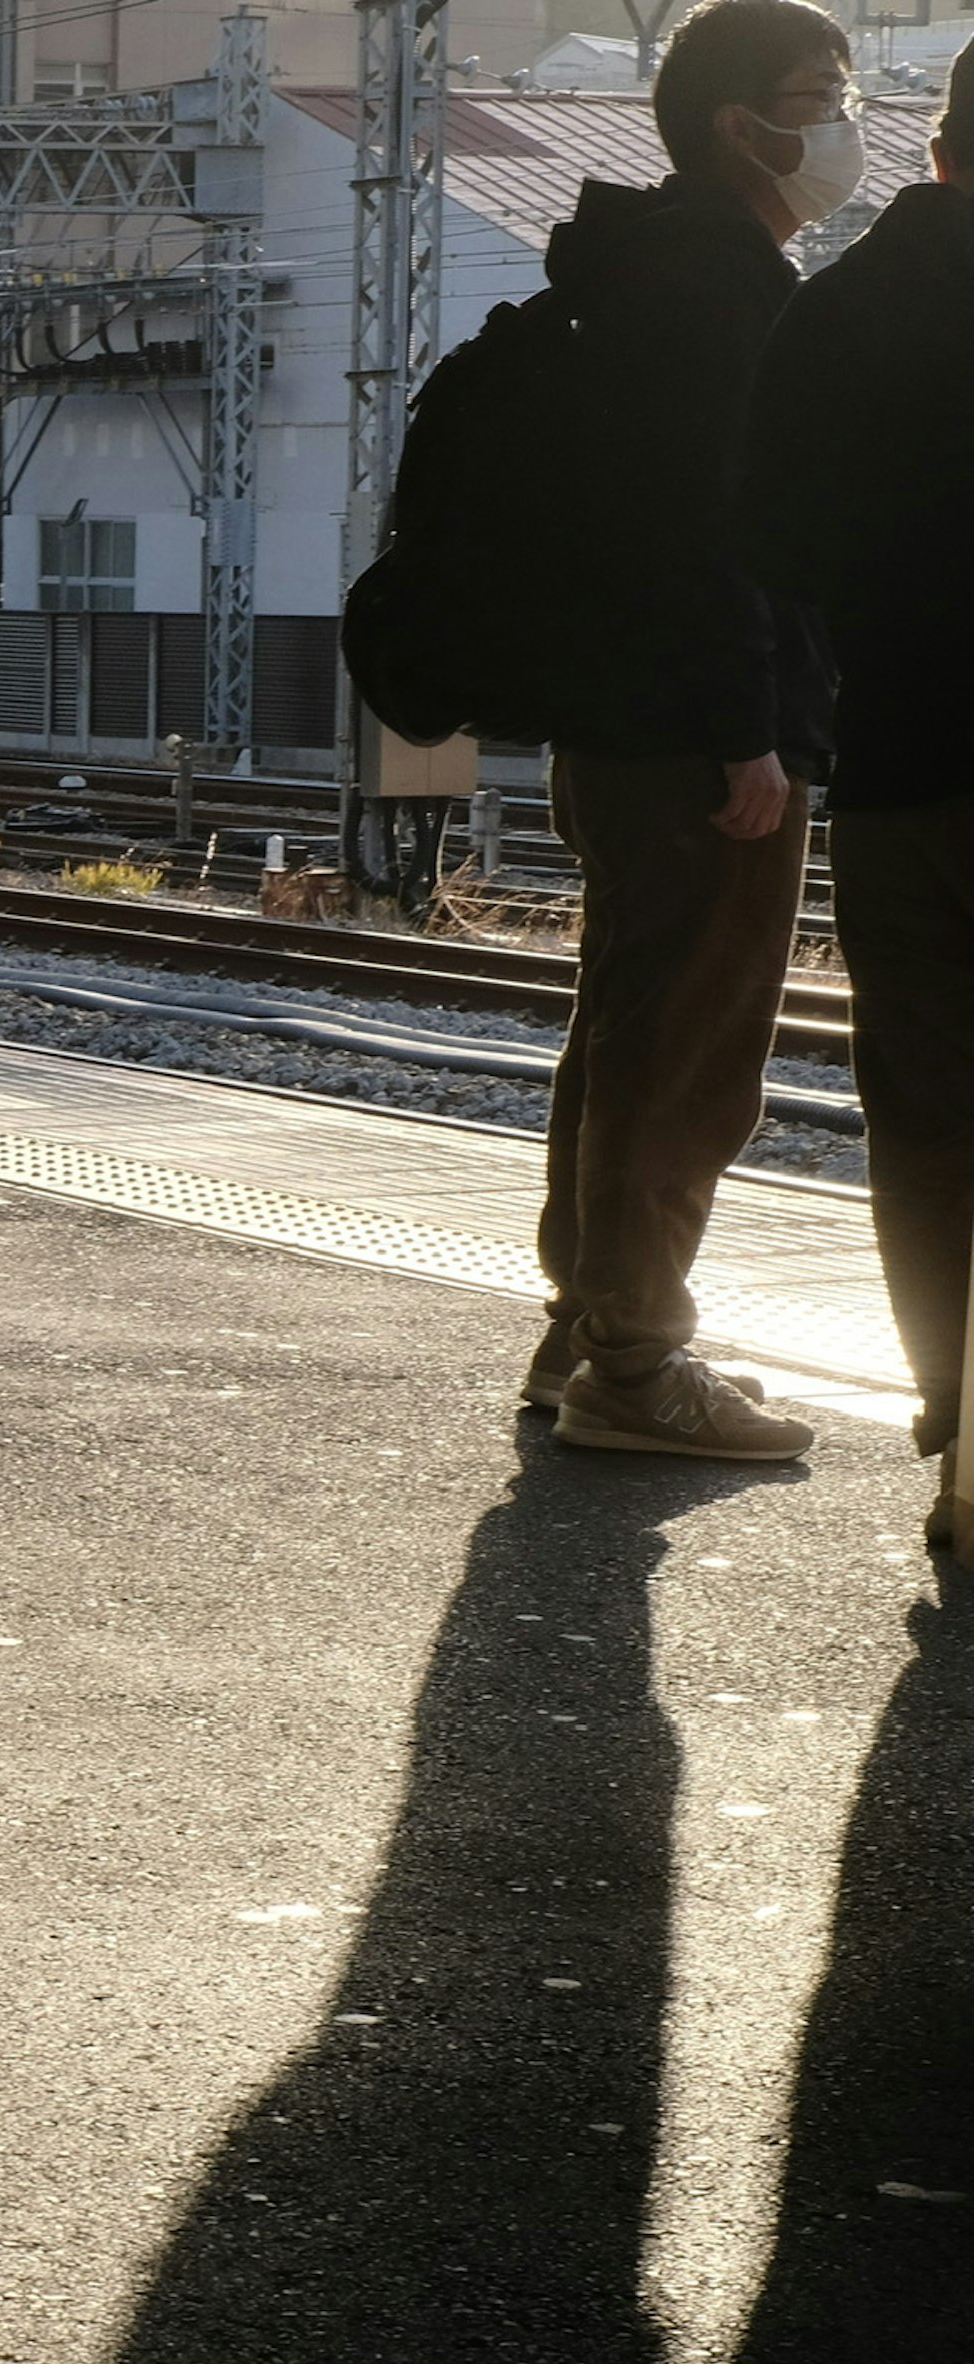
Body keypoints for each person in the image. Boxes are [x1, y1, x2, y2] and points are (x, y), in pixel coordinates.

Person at [518, 0, 846, 1463]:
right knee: (691, 1052)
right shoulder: (719, 293)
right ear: (740, 124)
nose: (847, 118)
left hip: (625, 723)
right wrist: (748, 736)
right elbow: (715, 542)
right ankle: (639, 1369)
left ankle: (588, 1329)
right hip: (697, 738)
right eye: (822, 91)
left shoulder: (646, 271)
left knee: (629, 1027)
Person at [748, 44, 974, 1532]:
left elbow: (780, 544)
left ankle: (956, 1416)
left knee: (929, 1090)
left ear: (944, 143)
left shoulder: (841, 313)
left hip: (912, 763)